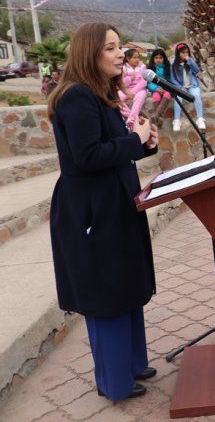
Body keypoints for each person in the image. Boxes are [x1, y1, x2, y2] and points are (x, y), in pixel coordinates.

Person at [47, 22, 159, 401]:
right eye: (110, 48)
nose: (120, 55)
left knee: (126, 283)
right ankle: (115, 382)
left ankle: (131, 362)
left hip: (115, 200)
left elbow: (114, 148)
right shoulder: (77, 96)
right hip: (92, 210)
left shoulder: (100, 94)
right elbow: (89, 156)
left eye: (119, 48)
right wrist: (133, 141)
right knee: (108, 292)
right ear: (89, 53)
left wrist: (144, 144)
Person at [170, 43, 205, 131]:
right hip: (181, 87)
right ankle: (177, 120)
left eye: (187, 52)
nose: (185, 54)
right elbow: (173, 79)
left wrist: (189, 61)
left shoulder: (190, 62)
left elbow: (197, 70)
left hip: (192, 86)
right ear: (178, 54)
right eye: (183, 52)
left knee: (196, 95)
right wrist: (180, 87)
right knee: (178, 98)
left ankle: (200, 118)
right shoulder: (174, 66)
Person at [119, 49, 149, 130]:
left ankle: (130, 121)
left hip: (140, 90)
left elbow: (143, 82)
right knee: (116, 98)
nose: (137, 59)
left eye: (138, 57)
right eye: (134, 57)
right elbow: (120, 83)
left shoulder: (142, 67)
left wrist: (132, 92)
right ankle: (133, 117)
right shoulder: (123, 67)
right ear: (128, 58)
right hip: (126, 89)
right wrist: (129, 79)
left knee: (140, 97)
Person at [146, 49, 172, 127]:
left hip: (166, 90)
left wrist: (165, 89)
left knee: (167, 94)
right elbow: (149, 83)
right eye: (156, 58)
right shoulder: (150, 69)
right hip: (156, 90)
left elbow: (170, 81)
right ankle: (159, 118)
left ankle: (156, 115)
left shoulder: (167, 68)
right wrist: (156, 89)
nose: (158, 60)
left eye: (160, 58)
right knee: (155, 96)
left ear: (164, 58)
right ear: (153, 59)